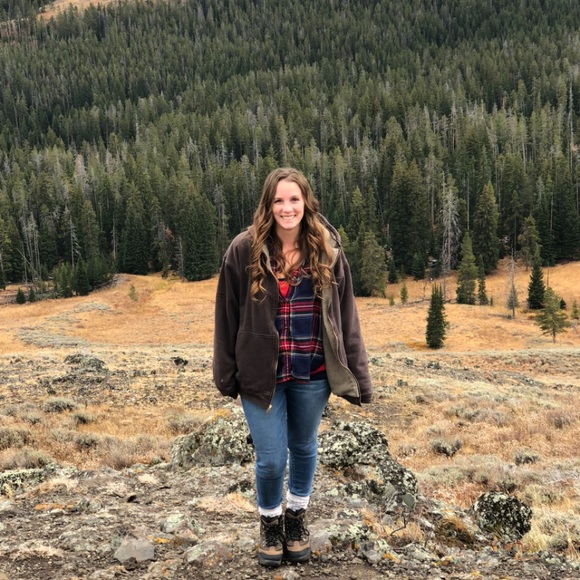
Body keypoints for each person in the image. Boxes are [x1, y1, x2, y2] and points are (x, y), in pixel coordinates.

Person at [213, 167, 373, 567]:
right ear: (268, 205)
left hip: (312, 371)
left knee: (303, 447)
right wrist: (225, 373)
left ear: (306, 203)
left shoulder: (327, 248)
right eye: (279, 201)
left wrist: (359, 373)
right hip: (260, 376)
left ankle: (296, 518)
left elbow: (346, 315)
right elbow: (227, 316)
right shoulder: (243, 250)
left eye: (294, 200)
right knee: (271, 459)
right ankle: (270, 522)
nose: (287, 208)